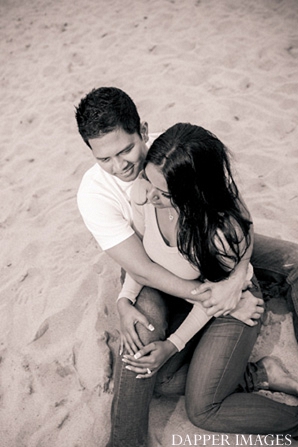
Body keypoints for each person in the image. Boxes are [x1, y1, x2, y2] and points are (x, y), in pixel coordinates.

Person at [75, 87, 298, 445]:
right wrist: (123, 299)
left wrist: (235, 281)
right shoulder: (128, 195)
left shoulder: (180, 154)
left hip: (210, 263)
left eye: (126, 150)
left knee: (291, 262)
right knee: (144, 349)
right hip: (155, 273)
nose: (121, 167)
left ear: (143, 131)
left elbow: (239, 218)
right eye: (105, 159)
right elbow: (143, 267)